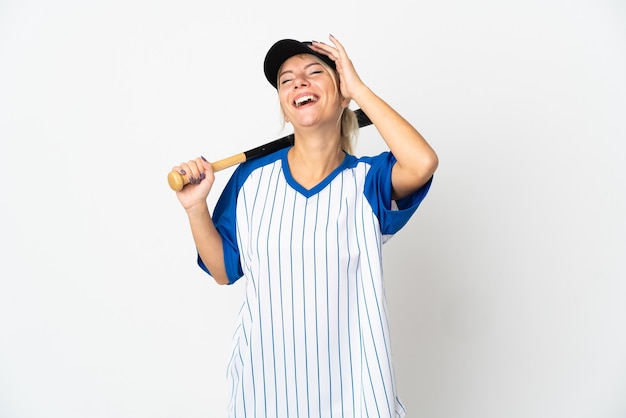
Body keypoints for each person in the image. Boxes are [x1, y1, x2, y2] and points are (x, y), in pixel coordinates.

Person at [172, 35, 438, 418]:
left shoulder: (369, 180)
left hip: (357, 398)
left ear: (342, 94)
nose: (299, 82)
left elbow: (422, 162)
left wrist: (358, 88)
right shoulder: (251, 180)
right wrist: (196, 208)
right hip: (264, 393)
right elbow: (223, 271)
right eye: (287, 80)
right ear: (285, 105)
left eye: (315, 73)